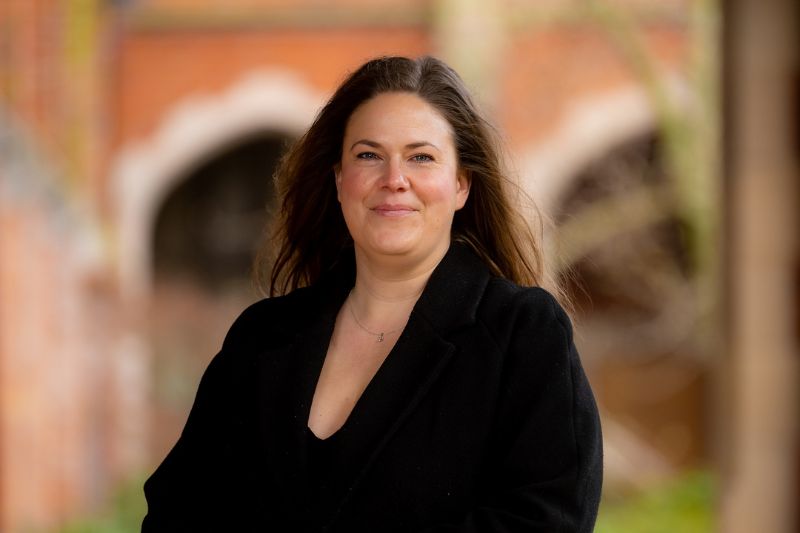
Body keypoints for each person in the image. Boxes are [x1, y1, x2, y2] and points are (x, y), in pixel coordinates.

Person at [142, 55, 602, 532]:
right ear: (340, 180)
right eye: (368, 155)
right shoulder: (261, 338)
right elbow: (177, 513)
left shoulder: (521, 334)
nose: (394, 179)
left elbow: (546, 521)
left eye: (421, 157)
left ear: (461, 184)